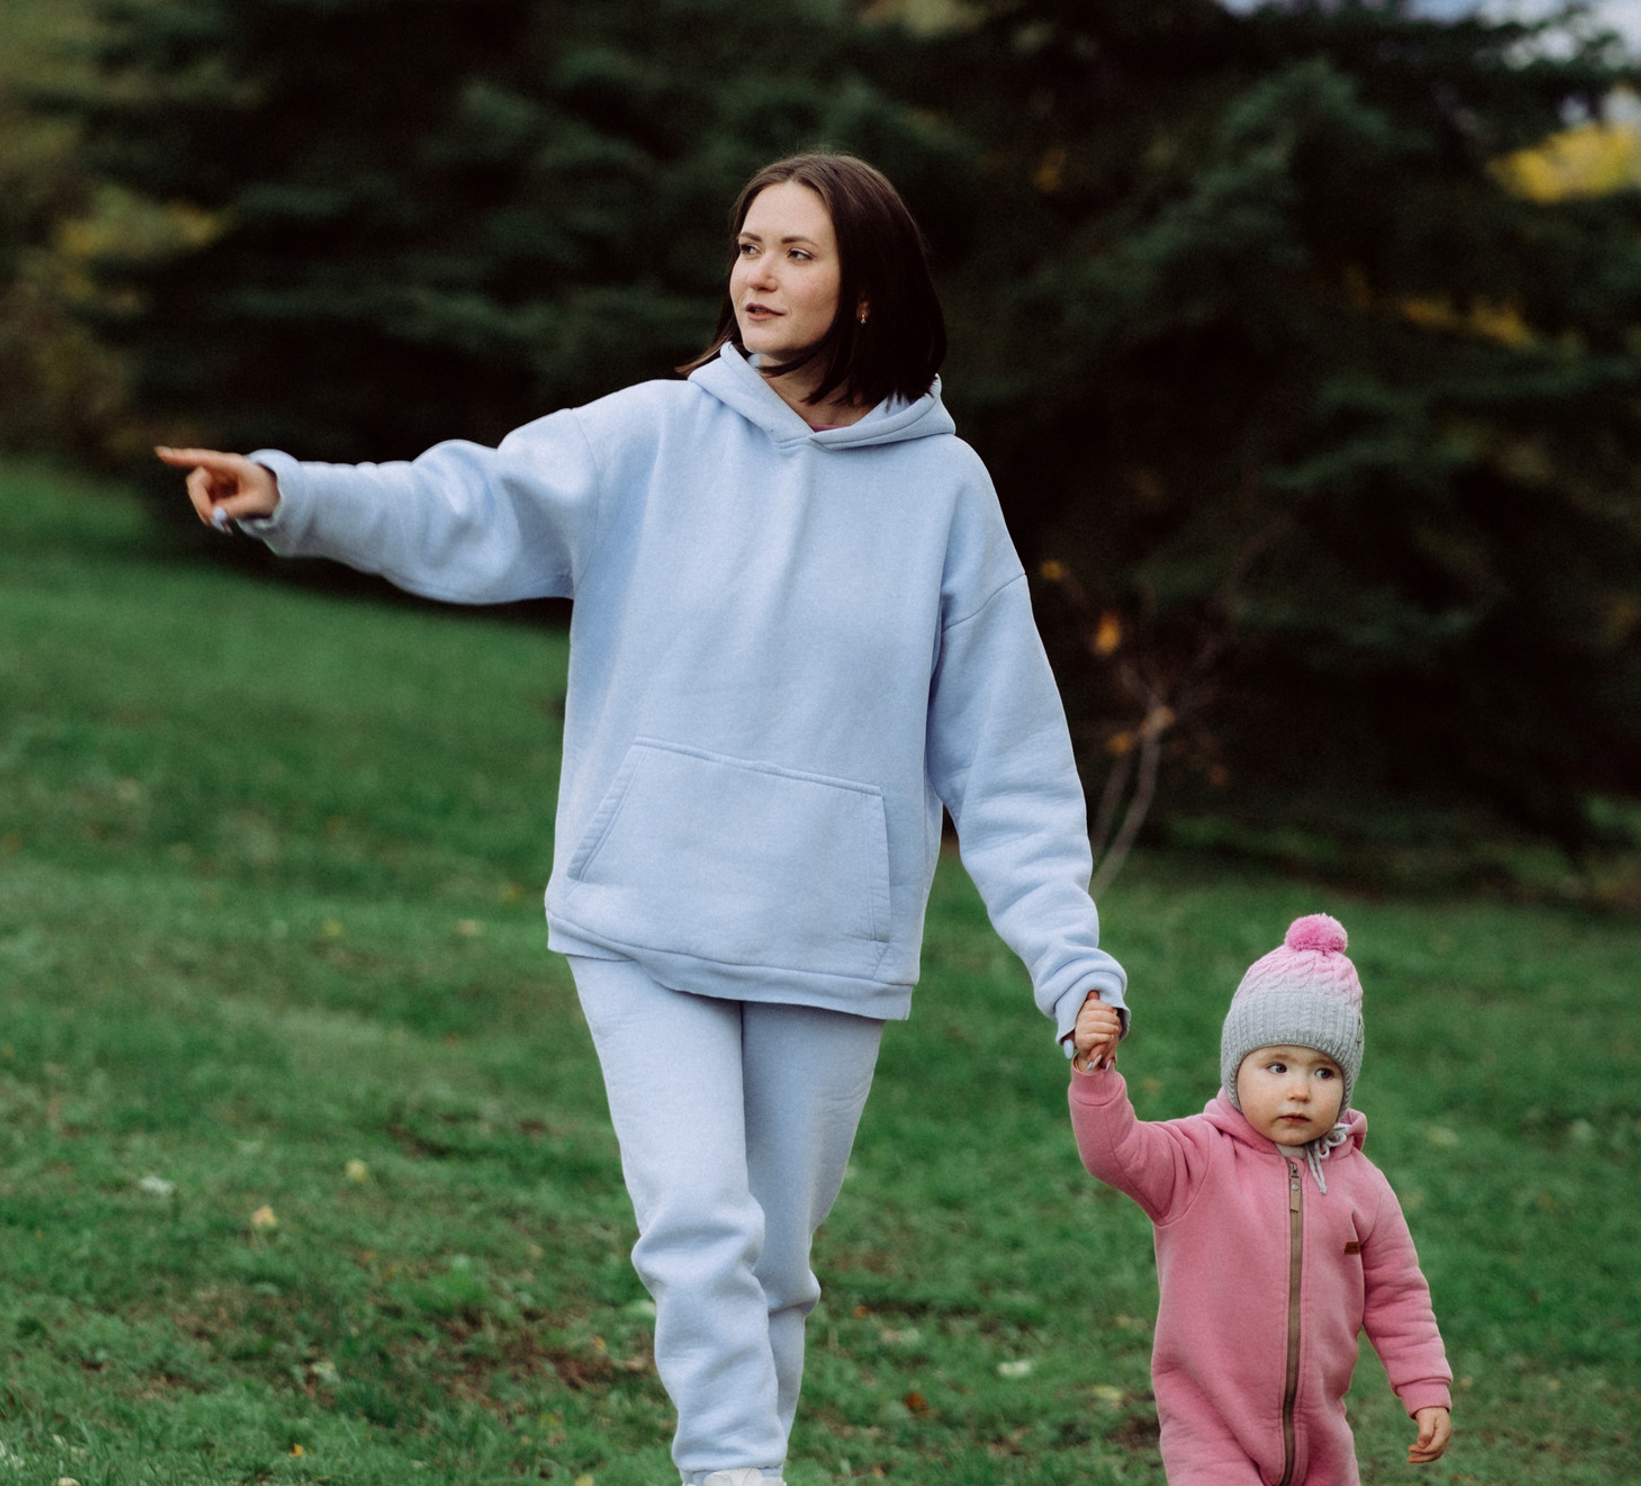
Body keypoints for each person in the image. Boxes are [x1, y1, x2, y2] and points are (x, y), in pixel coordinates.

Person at [158, 152, 1129, 1486]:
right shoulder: (653, 435)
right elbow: (470, 503)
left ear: (866, 292)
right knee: (696, 1226)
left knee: (773, 1268)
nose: (759, 275)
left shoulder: (944, 493)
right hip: (644, 907)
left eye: (796, 252)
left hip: (823, 937)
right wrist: (298, 495)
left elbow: (1006, 757)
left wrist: (1069, 963)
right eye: (747, 247)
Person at [1069, 914, 1453, 1484]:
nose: (1299, 1090)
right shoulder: (1195, 1157)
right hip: (1210, 1427)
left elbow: (1397, 1294)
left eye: (1324, 1072)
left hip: (1321, 1434)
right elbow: (1115, 1152)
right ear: (1236, 1071)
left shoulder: (1361, 1184)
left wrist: (1425, 1387)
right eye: (1277, 1067)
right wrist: (1093, 1071)